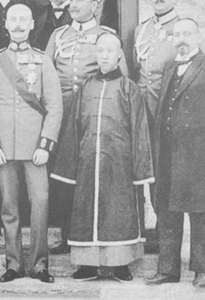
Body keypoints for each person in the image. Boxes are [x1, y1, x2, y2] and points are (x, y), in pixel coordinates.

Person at [51, 32, 153, 283]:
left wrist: (141, 169)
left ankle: (120, 264)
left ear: (119, 54)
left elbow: (139, 129)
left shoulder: (129, 88)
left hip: (119, 163)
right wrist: (69, 165)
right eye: (101, 51)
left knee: (118, 212)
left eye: (110, 51)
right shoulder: (86, 86)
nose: (105, 56)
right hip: (88, 160)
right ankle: (87, 265)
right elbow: (74, 126)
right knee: (86, 210)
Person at [145, 19, 205, 289]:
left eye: (187, 34)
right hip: (168, 154)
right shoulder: (169, 67)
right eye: (177, 35)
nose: (181, 39)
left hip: (199, 156)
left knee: (198, 213)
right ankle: (167, 269)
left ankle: (200, 270)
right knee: (167, 212)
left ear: (198, 37)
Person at [0, 4, 63, 283]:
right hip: (4, 148)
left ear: (31, 24)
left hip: (36, 147)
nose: (17, 24)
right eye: (13, 19)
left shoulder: (42, 60)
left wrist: (45, 145)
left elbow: (54, 106)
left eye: (23, 20)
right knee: (9, 206)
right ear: (5, 24)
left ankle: (40, 264)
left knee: (40, 204)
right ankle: (13, 263)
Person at [45, 0, 128, 256]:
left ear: (94, 5)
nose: (73, 4)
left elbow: (121, 80)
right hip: (61, 115)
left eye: (80, 0)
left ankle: (96, 233)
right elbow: (46, 74)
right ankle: (67, 235)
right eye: (72, 0)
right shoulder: (59, 35)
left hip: (94, 114)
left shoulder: (105, 36)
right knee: (64, 174)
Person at [132, 0, 180, 121]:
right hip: (142, 106)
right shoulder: (141, 29)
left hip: (170, 106)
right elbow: (136, 67)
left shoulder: (183, 28)